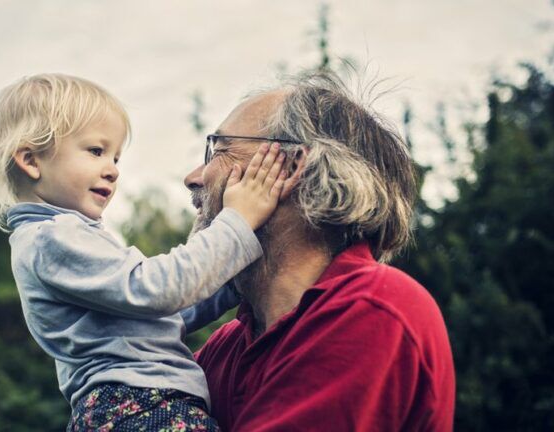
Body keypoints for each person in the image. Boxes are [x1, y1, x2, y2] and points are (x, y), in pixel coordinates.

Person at [0, 73, 291, 431]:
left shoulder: (67, 237)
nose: (111, 170)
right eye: (96, 151)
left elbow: (158, 316)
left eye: (116, 158)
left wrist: (236, 280)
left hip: (139, 406)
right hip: (138, 406)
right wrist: (237, 222)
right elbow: (158, 289)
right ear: (31, 161)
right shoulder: (52, 238)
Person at [185, 70, 456, 431]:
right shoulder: (225, 348)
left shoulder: (372, 309)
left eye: (219, 150)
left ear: (292, 166)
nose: (194, 176)